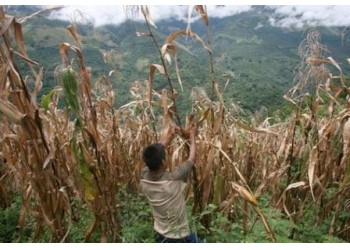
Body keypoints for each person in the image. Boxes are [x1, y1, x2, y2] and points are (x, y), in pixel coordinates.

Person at [140, 124, 201, 243]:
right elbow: (192, 159)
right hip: (178, 236)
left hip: (159, 232)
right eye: (165, 157)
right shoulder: (173, 179)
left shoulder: (143, 175)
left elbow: (156, 152)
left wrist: (170, 136)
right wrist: (192, 137)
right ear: (163, 162)